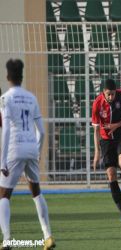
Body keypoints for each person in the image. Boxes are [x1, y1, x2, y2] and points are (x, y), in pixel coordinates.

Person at [0, 59, 55, 250]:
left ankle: (7, 240)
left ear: (8, 77)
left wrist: (2, 161)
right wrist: (37, 153)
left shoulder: (5, 98)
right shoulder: (31, 98)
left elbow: (6, 130)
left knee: (4, 194)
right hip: (31, 147)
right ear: (22, 76)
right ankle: (48, 236)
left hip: (14, 149)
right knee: (36, 192)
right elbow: (42, 131)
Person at [92, 79, 121, 224]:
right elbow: (96, 129)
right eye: (108, 94)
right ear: (103, 92)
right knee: (111, 174)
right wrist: (97, 152)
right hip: (106, 141)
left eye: (113, 94)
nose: (111, 97)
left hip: (120, 136)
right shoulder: (97, 103)